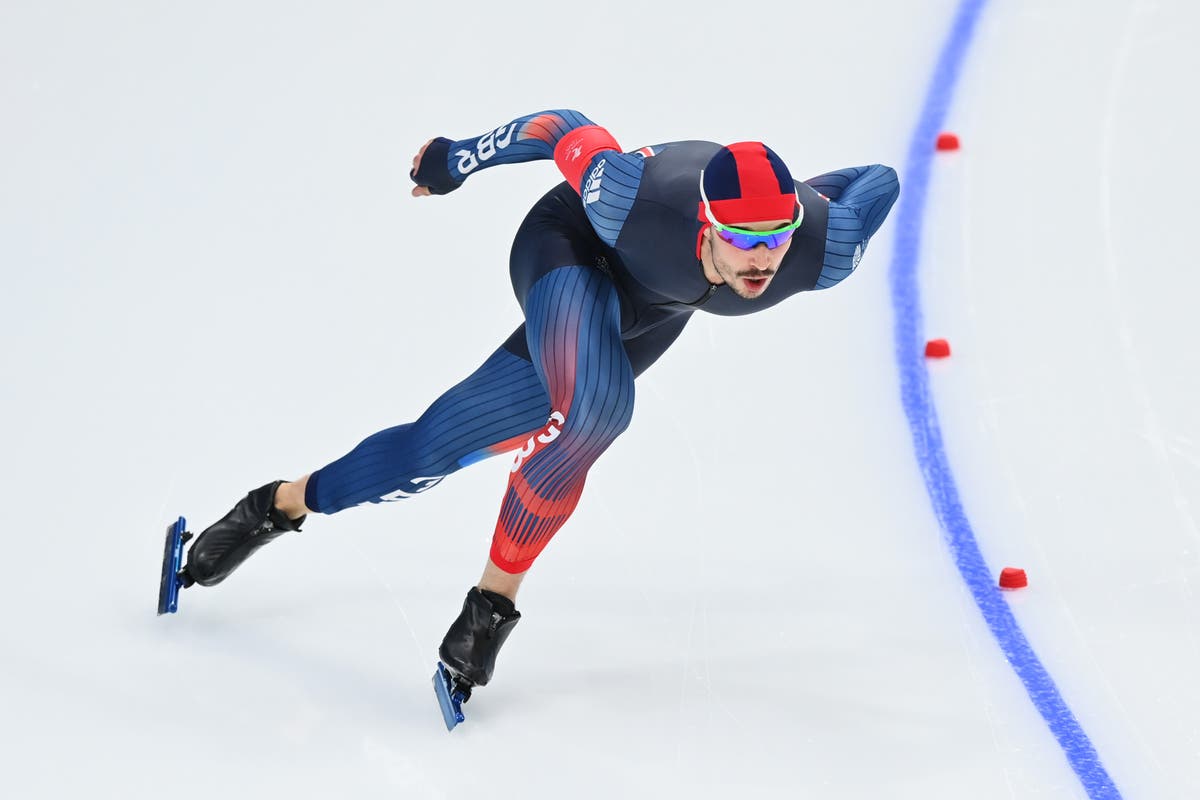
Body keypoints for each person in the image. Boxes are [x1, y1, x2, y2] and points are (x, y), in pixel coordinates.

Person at [176, 109, 899, 703]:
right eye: (742, 239)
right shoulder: (627, 196)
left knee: (433, 446)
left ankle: (287, 508)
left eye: (774, 238)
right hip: (569, 253)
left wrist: (805, 201)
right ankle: (448, 592)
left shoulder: (821, 247)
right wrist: (454, 159)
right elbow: (560, 127)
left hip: (649, 313)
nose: (761, 262)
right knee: (595, 412)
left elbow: (880, 180)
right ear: (707, 223)